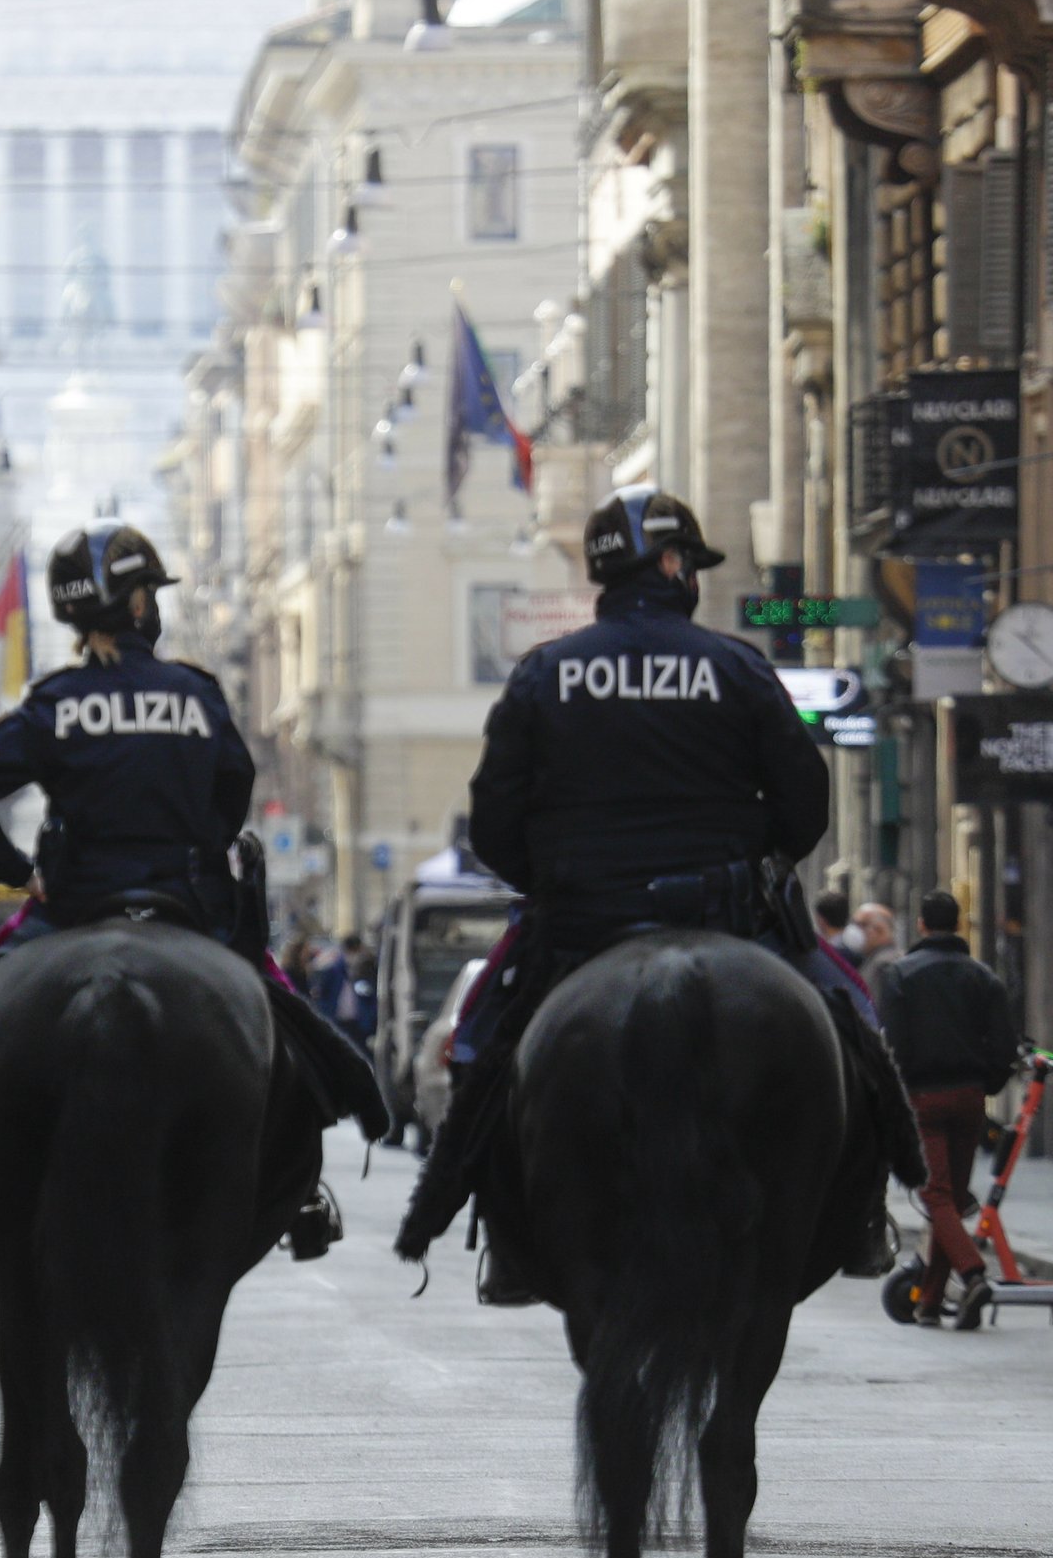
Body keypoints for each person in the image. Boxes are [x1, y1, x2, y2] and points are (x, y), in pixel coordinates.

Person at [397, 485, 926, 1300]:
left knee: (481, 1045)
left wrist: (555, 884)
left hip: (581, 920)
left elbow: (494, 823)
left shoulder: (546, 672)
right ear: (674, 565)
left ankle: (501, 1232)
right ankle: (868, 1207)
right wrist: (763, 861)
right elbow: (804, 806)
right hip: (728, 911)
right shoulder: (738, 665)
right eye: (693, 564)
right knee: (852, 1015)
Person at [0, 520, 384, 1253]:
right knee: (278, 1013)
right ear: (139, 607)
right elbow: (234, 790)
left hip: (71, 908)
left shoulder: (56, 703)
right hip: (191, 908)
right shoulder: (196, 696)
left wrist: (18, 873)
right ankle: (300, 1188)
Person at [879, 890, 1020, 1324]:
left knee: (935, 1194)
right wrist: (988, 1084)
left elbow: (892, 1045)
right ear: (958, 925)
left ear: (921, 924)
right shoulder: (983, 978)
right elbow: (1004, 1044)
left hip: (922, 1097)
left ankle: (972, 1273)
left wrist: (895, 1096)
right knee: (952, 1199)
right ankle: (929, 1302)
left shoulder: (900, 976)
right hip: (969, 1096)